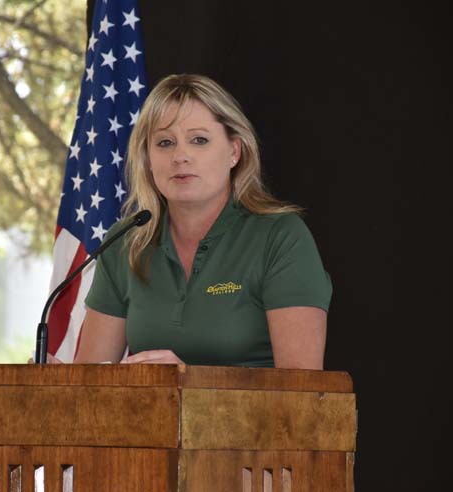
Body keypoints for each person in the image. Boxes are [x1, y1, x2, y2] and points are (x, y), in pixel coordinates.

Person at [70, 73, 332, 369]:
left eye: (199, 140)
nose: (181, 156)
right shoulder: (125, 242)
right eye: (165, 142)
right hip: (150, 417)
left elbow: (304, 393)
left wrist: (192, 383)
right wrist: (58, 383)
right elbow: (91, 380)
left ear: (234, 151)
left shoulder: (281, 237)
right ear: (147, 158)